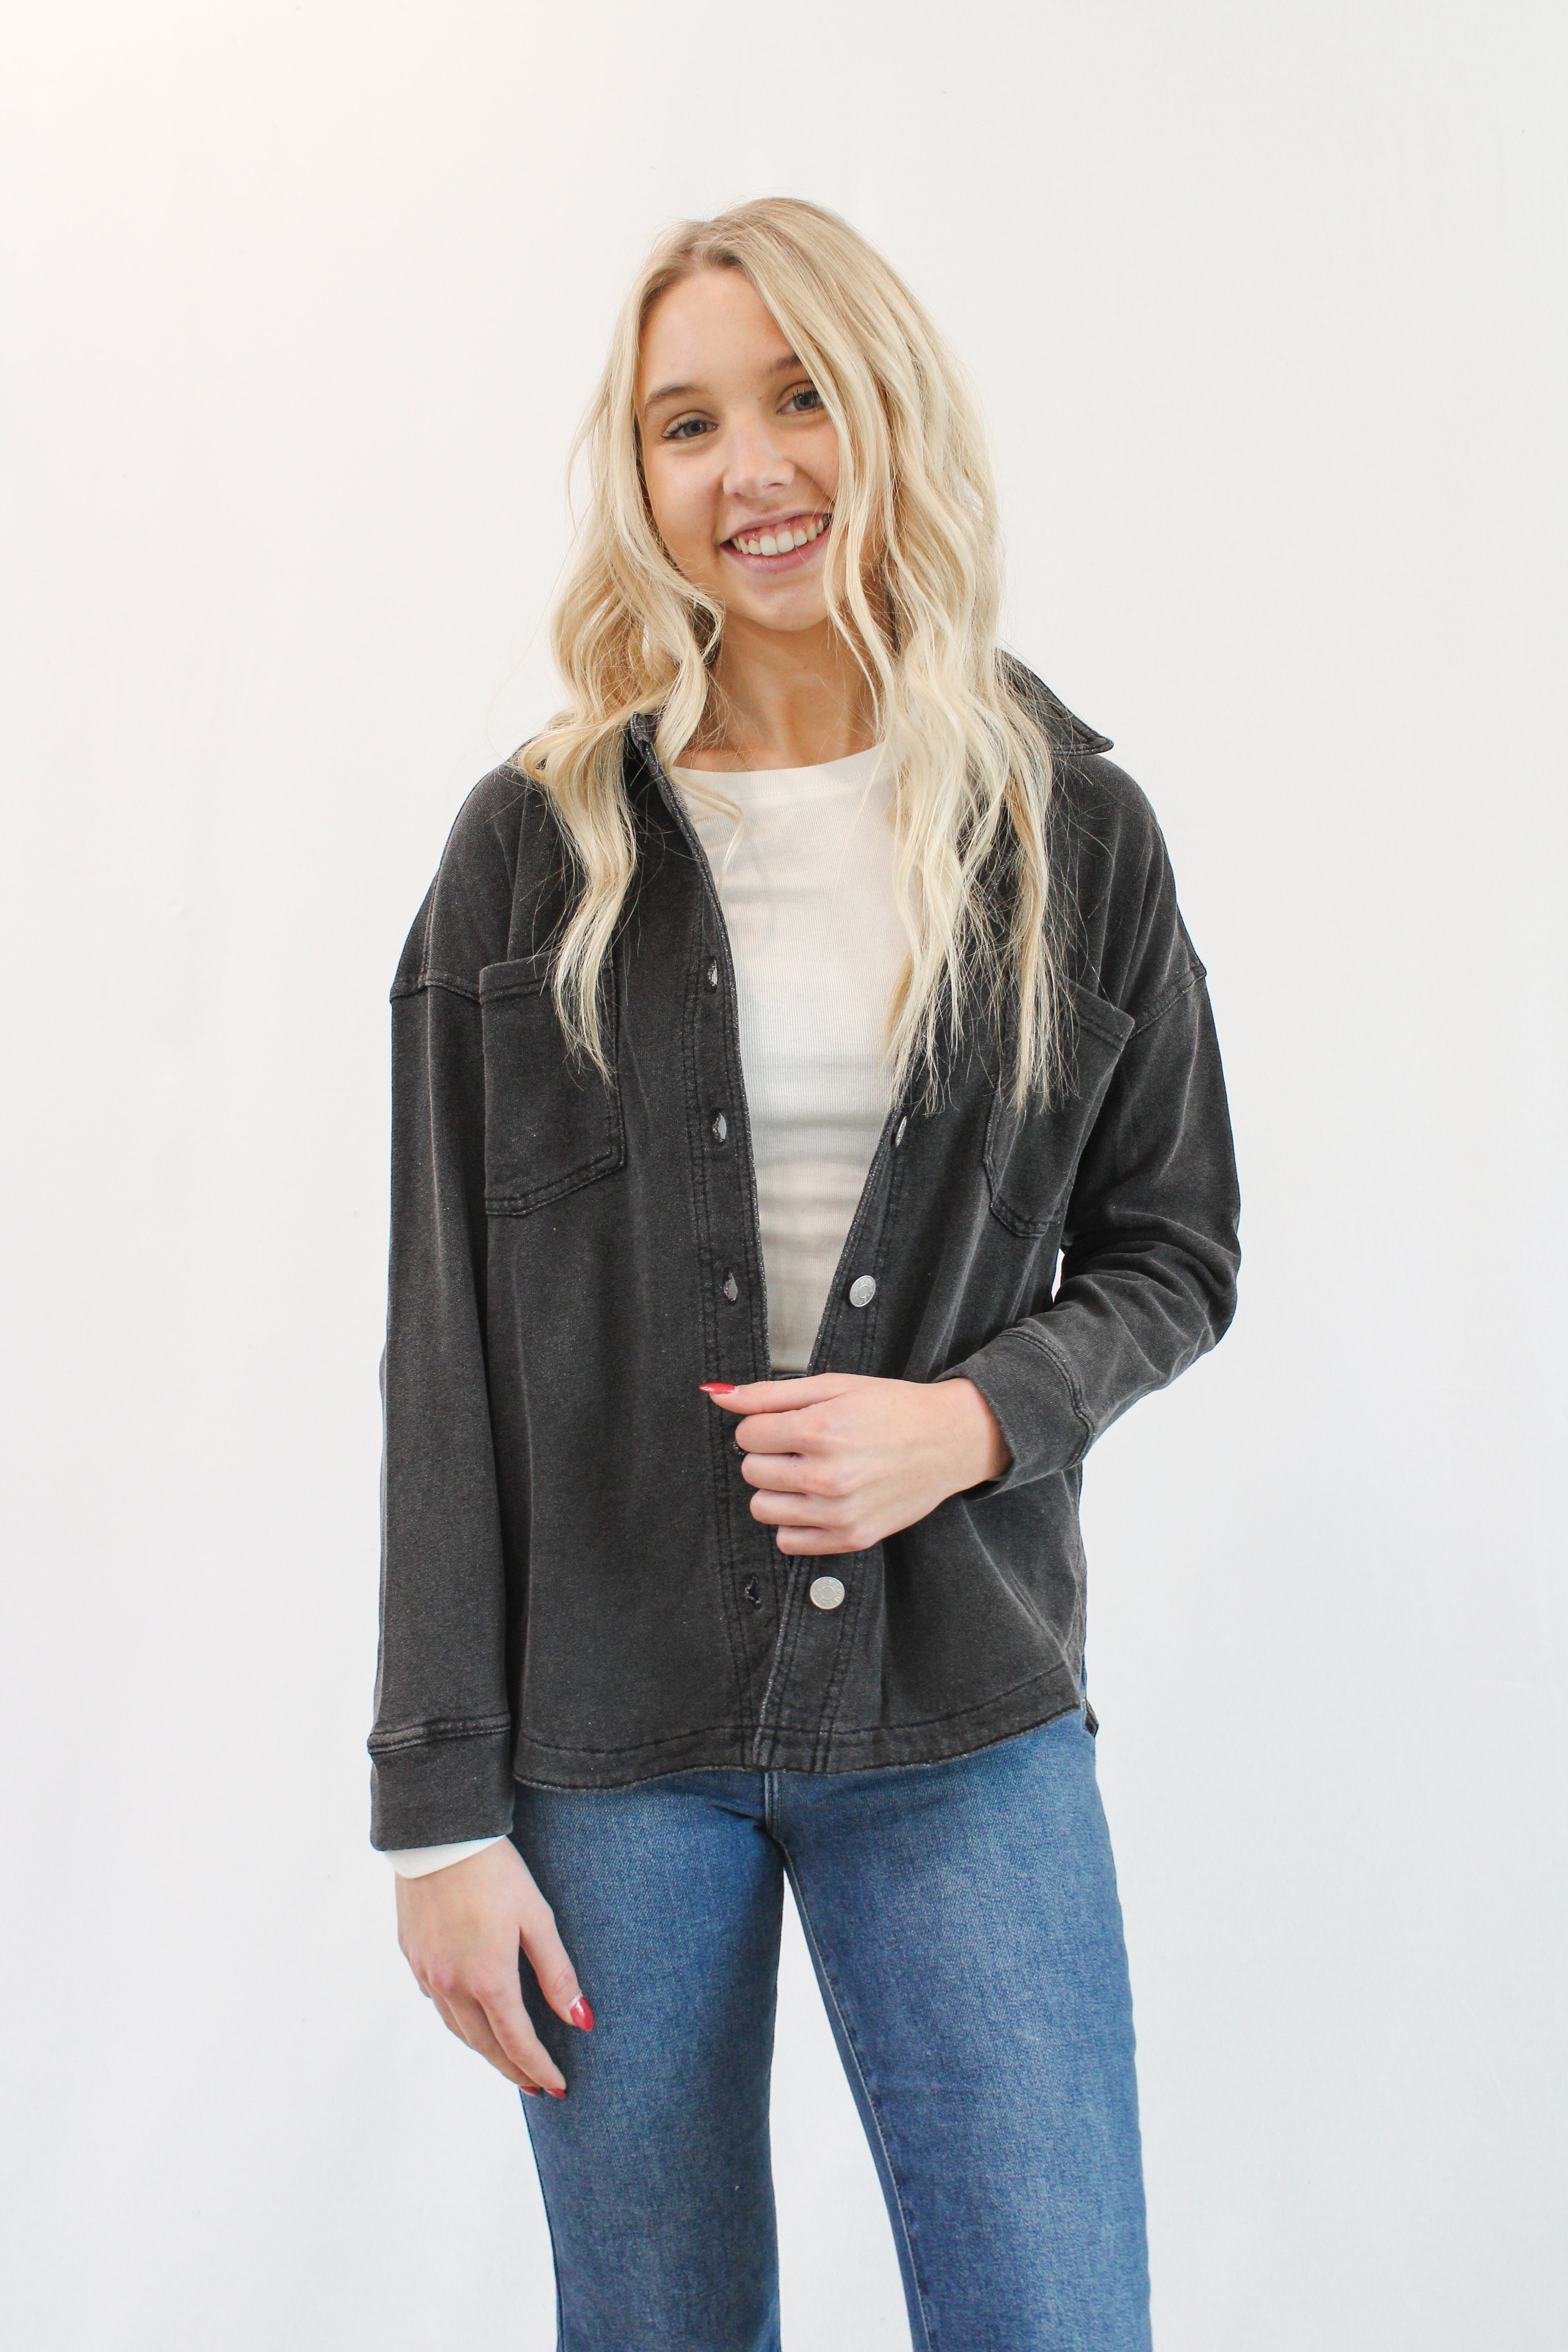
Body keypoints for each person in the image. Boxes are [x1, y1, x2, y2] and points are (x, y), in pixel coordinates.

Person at [369, 196, 1240, 2351]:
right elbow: (442, 1350)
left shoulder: (1071, 831)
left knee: (1055, 2316)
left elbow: (1176, 1249)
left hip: (964, 1716)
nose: (751, 468)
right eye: (687, 423)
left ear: (890, 417)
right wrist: (437, 1817)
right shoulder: (529, 850)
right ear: (638, 475)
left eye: (800, 399)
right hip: (608, 1750)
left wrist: (968, 1424)